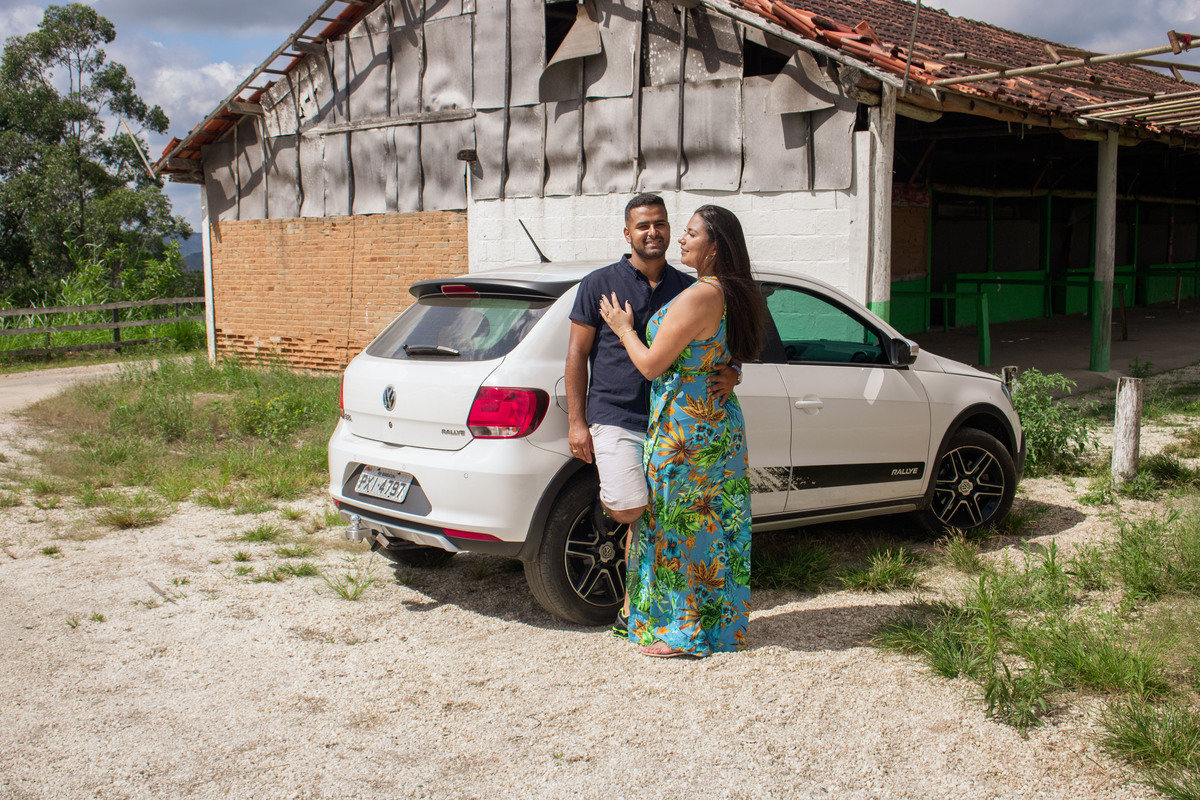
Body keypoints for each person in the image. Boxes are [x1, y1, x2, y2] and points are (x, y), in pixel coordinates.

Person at [566, 194, 738, 639]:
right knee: (631, 508)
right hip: (617, 416)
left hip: (672, 425)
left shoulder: (688, 287)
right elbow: (576, 353)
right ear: (627, 233)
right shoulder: (599, 283)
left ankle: (632, 609)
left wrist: (733, 371)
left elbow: (721, 341)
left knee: (658, 521)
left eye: (661, 224)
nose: (654, 232)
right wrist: (576, 422)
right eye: (643, 225)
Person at [597, 204, 765, 658]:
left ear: (715, 245)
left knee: (679, 526)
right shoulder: (732, 291)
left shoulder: (699, 295)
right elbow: (730, 350)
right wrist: (733, 372)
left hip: (686, 432)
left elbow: (652, 365)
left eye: (691, 233)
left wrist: (623, 328)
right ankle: (716, 626)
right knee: (713, 526)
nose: (682, 240)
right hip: (717, 426)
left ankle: (686, 630)